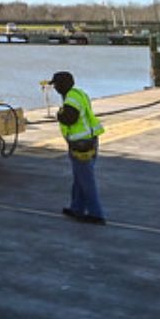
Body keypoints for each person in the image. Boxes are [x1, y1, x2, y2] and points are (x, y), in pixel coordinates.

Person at [52, 71, 105, 224]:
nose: (54, 88)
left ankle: (96, 214)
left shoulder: (70, 101)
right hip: (91, 140)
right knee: (79, 178)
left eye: (55, 84)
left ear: (61, 85)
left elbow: (69, 118)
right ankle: (77, 208)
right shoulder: (79, 93)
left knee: (86, 180)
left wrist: (59, 114)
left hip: (81, 144)